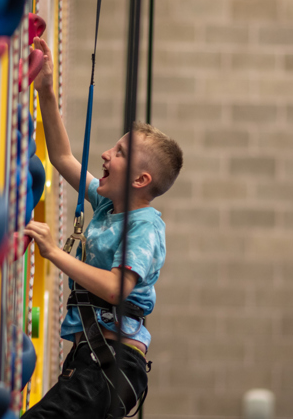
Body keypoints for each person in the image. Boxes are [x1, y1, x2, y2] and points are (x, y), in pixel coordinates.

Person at [22, 37, 183, 419]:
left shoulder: (144, 228)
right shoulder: (109, 204)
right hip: (91, 359)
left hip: (112, 366)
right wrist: (46, 89)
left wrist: (55, 253)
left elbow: (116, 288)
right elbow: (62, 157)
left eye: (120, 153)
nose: (106, 155)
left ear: (141, 181)